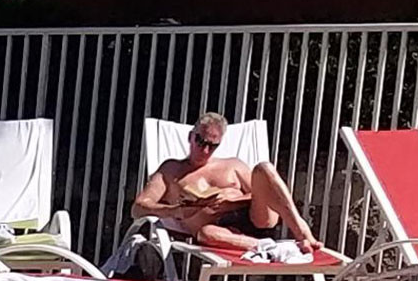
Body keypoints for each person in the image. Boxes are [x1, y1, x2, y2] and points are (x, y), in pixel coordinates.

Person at [136, 112, 319, 264]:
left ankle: (302, 231)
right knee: (207, 234)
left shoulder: (232, 165)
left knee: (265, 168)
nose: (205, 150)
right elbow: (139, 208)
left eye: (212, 146)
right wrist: (175, 211)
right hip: (215, 231)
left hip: (255, 219)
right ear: (190, 136)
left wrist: (232, 201)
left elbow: (265, 195)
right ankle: (272, 248)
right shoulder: (171, 169)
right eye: (200, 141)